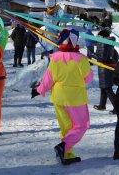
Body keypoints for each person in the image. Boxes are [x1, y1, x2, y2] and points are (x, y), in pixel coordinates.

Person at [33, 28, 93, 165]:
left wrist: (39, 90)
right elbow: (88, 78)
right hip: (75, 99)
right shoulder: (81, 60)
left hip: (58, 97)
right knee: (81, 126)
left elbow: (48, 79)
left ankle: (67, 154)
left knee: (67, 127)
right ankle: (63, 147)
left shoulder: (55, 58)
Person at [90, 29, 117, 114]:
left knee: (107, 88)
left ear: (102, 36)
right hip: (107, 67)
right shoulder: (109, 43)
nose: (97, 37)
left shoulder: (104, 44)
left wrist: (91, 54)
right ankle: (102, 105)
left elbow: (102, 58)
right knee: (104, 87)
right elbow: (116, 55)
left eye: (99, 36)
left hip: (104, 69)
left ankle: (118, 107)